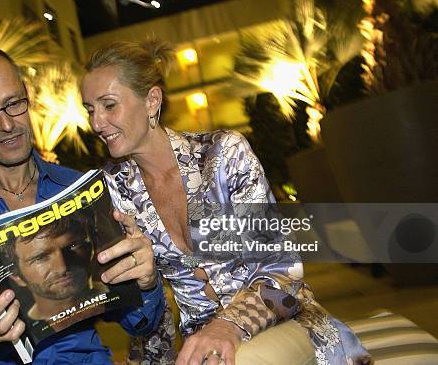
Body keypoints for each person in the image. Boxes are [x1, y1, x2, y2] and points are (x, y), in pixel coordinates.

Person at [81, 40, 372, 365]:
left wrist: (228, 325)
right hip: (202, 350)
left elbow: (282, 271)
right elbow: (147, 310)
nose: (96, 123)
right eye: (90, 110)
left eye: (109, 105)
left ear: (151, 101)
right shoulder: (114, 189)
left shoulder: (224, 156)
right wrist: (145, 287)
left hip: (282, 321)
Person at [0, 45, 165, 364]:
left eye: (13, 104)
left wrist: (147, 283)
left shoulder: (80, 189)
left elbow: (138, 322)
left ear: (27, 95)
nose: (7, 125)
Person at [5, 209, 109, 338]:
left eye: (73, 246)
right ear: (16, 276)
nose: (62, 267)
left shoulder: (125, 291)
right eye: (40, 258)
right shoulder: (19, 334)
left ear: (92, 247)